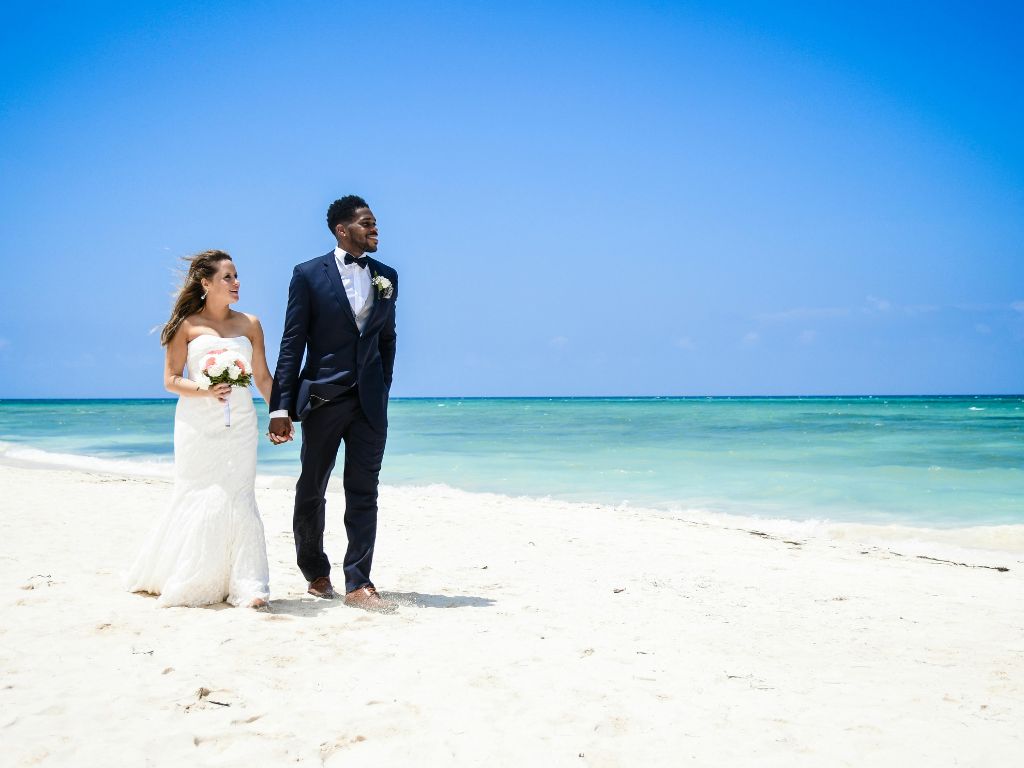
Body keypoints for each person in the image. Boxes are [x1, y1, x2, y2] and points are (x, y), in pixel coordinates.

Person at [126, 250, 283, 609]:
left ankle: (247, 584)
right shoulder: (186, 326)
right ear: (206, 283)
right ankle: (195, 576)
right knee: (201, 492)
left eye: (236, 276)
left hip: (240, 423)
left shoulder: (250, 324)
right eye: (228, 277)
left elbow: (262, 377)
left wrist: (280, 413)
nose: (236, 282)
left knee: (239, 494)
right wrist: (205, 389)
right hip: (197, 424)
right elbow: (170, 379)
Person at [268, 195, 398, 613]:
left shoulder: (387, 276)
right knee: (312, 488)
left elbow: (387, 339)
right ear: (342, 230)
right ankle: (315, 571)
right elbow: (292, 343)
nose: (374, 229)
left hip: (370, 405)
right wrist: (280, 407)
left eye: (375, 223)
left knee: (365, 491)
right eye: (367, 223)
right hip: (322, 399)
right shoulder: (307, 274)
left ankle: (359, 582)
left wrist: (382, 387)